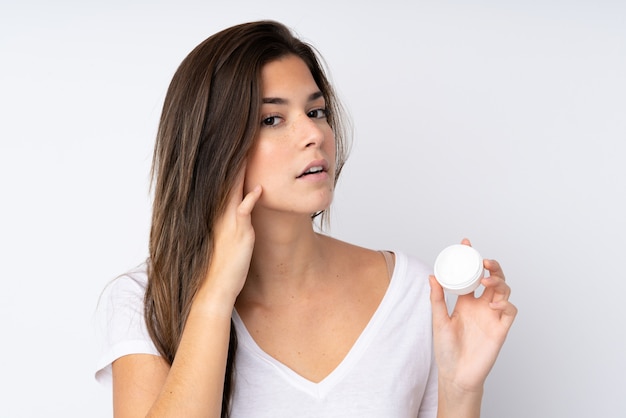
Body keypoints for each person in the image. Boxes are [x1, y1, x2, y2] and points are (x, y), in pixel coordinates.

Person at [94, 20, 517, 418]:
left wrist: (461, 391)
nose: (314, 134)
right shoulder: (147, 301)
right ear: (212, 148)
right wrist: (215, 296)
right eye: (272, 119)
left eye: (315, 112)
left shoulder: (411, 293)